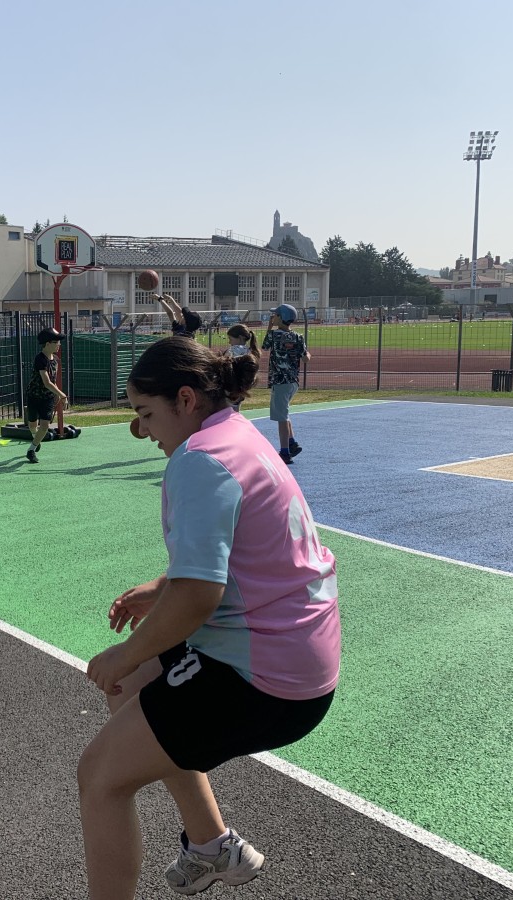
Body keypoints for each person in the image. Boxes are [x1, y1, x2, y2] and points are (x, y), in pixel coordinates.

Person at [78, 337, 339, 900]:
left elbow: (198, 595)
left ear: (185, 399)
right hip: (296, 653)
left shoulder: (199, 460)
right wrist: (162, 588)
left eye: (146, 413)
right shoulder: (236, 433)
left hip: (263, 676)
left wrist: (125, 651)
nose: (141, 430)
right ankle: (211, 844)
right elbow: (244, 553)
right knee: (133, 688)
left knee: (99, 777)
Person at [261, 304, 310, 466]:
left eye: (275, 315)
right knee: (284, 412)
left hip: (280, 381)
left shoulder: (273, 335)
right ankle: (291, 442)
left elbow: (264, 347)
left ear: (281, 318)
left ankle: (285, 452)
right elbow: (305, 358)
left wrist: (269, 327)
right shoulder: (298, 337)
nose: (273, 317)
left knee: (281, 417)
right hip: (293, 381)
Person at [24, 327, 69, 464]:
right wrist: (62, 395)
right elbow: (47, 382)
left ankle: (31, 450)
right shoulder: (40, 359)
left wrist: (56, 394)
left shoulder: (56, 360)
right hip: (34, 396)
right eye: (56, 342)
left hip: (47, 398)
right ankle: (35, 437)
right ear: (48, 344)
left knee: (44, 426)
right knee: (32, 425)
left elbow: (53, 381)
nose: (59, 345)